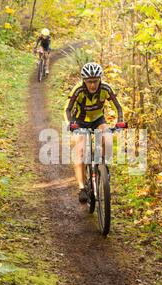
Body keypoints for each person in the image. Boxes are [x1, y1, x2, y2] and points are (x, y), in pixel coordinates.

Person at [64, 62, 127, 203]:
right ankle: (81, 188)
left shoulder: (105, 89)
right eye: (89, 82)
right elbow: (67, 109)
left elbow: (118, 107)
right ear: (84, 81)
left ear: (100, 80)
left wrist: (120, 122)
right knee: (79, 149)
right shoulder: (78, 90)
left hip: (98, 120)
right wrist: (71, 124)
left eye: (95, 81)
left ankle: (103, 166)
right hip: (79, 121)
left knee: (108, 138)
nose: (92, 85)